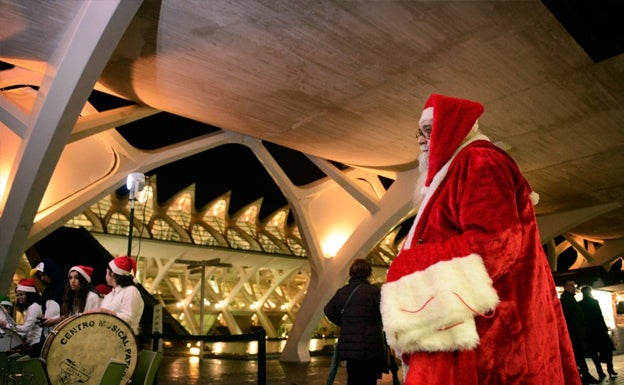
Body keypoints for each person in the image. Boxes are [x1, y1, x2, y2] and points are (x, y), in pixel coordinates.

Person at [380, 93, 580, 385]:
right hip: (464, 324)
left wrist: (407, 265)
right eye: (419, 133)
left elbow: (495, 243)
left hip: (487, 332)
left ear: (452, 127)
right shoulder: (459, 167)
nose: (421, 141)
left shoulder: (479, 160)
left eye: (428, 131)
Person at [324, 259, 387, 385]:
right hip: (371, 346)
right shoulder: (373, 292)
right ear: (368, 273)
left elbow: (328, 310)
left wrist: (345, 323)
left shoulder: (342, 292)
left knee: (353, 378)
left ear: (351, 273)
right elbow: (385, 313)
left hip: (350, 348)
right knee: (369, 380)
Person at [85, 256, 144, 334]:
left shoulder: (131, 291)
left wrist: (104, 311)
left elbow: (128, 319)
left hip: (125, 341)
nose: (105, 275)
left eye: (106, 272)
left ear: (112, 273)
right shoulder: (110, 295)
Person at [560, 281, 600, 384]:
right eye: (571, 285)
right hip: (574, 334)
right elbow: (568, 317)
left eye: (574, 285)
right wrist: (578, 326)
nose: (573, 287)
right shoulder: (565, 300)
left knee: (580, 356)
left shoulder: (570, 299)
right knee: (578, 356)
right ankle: (584, 376)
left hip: (578, 332)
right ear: (565, 287)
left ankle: (584, 376)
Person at [579, 285, 617, 379]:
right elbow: (599, 316)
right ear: (590, 292)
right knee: (608, 350)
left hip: (589, 331)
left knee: (594, 353)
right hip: (599, 330)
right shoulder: (594, 302)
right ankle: (610, 369)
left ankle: (600, 372)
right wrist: (604, 329)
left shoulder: (580, 304)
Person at [0, 279, 43, 357]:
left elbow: (26, 328)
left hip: (36, 344)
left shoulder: (34, 307)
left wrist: (5, 324)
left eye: (21, 294)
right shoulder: (30, 308)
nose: (19, 297)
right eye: (18, 295)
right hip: (30, 342)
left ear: (29, 295)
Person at [31, 259, 64, 341]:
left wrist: (55, 320)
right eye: (40, 276)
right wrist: (43, 320)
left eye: (43, 275)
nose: (42, 278)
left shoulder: (65, 287)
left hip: (63, 332)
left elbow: (73, 312)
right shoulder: (47, 291)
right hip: (47, 334)